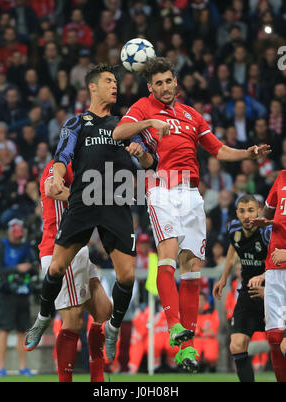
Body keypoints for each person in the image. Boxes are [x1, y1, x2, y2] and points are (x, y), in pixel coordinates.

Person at [112, 57, 271, 372]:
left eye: (168, 81)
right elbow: (119, 132)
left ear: (175, 82)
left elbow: (218, 150)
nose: (165, 87)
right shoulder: (144, 107)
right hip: (162, 188)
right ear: (150, 87)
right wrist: (148, 124)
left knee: (192, 268)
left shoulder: (191, 115)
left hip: (191, 194)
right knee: (168, 255)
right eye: (158, 83)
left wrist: (246, 153)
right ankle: (173, 326)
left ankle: (186, 347)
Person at [24, 64, 155, 365]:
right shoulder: (77, 123)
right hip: (84, 200)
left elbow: (150, 162)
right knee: (56, 268)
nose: (115, 86)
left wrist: (141, 154)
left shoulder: (125, 125)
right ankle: (43, 317)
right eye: (109, 81)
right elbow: (63, 156)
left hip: (116, 202)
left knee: (128, 275)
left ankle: (113, 328)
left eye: (116, 82)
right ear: (92, 87)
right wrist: (57, 176)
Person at [29, 159, 112, 382]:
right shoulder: (57, 165)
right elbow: (52, 189)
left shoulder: (89, 167)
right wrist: (93, 201)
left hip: (80, 248)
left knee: (105, 312)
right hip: (59, 248)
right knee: (73, 321)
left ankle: (98, 377)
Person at [213, 194, 271, 382]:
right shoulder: (233, 228)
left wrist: (264, 278)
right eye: (242, 211)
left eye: (251, 210)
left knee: (282, 344)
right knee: (237, 345)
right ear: (237, 213)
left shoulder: (267, 232)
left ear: (259, 211)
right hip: (248, 294)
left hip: (274, 294)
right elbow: (233, 248)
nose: (247, 216)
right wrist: (223, 278)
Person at [250, 170, 286, 382]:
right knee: (274, 337)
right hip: (274, 268)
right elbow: (270, 212)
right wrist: (265, 222)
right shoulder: (281, 177)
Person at [0, 219, 38, 377]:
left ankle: (23, 367)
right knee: (4, 331)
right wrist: (17, 269)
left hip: (23, 294)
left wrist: (30, 269)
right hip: (7, 294)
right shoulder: (2, 245)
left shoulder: (27, 248)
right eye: (15, 235)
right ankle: (0, 367)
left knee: (22, 332)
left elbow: (34, 269)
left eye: (20, 236)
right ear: (10, 232)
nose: (18, 238)